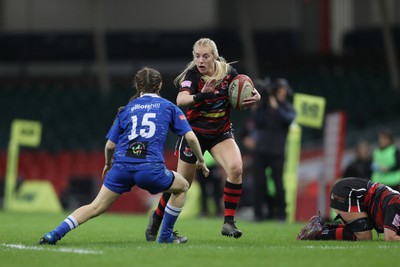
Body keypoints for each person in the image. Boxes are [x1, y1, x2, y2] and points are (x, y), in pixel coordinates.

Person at [39, 67, 209, 245]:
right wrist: (201, 160)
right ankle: (165, 236)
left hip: (121, 168)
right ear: (159, 85)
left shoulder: (126, 109)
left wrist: (107, 164)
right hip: (150, 170)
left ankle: (54, 234)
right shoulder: (169, 107)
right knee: (182, 186)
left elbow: (110, 145)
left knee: (95, 206)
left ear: (137, 85)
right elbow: (190, 137)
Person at [145, 38, 261, 241]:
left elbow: (242, 92)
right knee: (181, 184)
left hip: (220, 133)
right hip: (194, 135)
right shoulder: (192, 75)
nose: (200, 60)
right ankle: (157, 217)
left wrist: (254, 97)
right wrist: (201, 95)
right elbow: (180, 100)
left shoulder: (228, 72)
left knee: (236, 168)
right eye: (197, 56)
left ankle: (229, 222)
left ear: (214, 57)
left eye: (205, 56)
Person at [297, 177, 400, 241]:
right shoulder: (395, 203)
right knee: (364, 237)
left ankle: (318, 228)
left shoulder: (395, 201)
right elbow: (390, 237)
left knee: (358, 231)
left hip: (351, 190)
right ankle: (317, 234)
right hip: (348, 192)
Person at [250, 78, 296, 221]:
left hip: (277, 152)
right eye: (279, 90)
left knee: (278, 183)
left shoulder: (288, 108)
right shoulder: (264, 108)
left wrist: (275, 107)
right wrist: (258, 106)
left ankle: (282, 214)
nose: (282, 93)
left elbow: (288, 119)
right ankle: (259, 213)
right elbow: (257, 121)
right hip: (261, 150)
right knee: (259, 183)